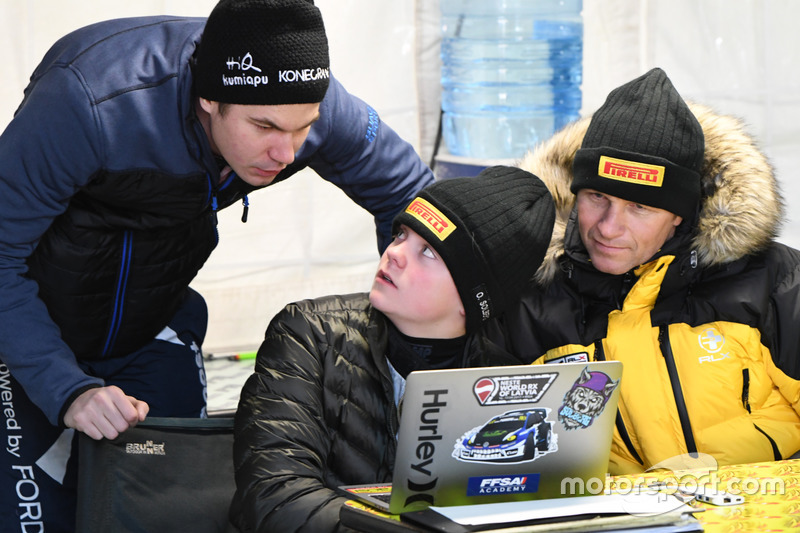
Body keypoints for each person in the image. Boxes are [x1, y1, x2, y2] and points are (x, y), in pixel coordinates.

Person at [0, 0, 434, 530]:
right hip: (29, 329)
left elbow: (420, 204)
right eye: (264, 127)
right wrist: (65, 386)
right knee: (36, 517)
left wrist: (417, 325)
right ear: (209, 96)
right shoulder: (90, 101)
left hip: (153, 322)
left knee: (179, 517)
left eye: (303, 129)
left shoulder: (302, 110)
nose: (285, 152)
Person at [487, 68, 800, 475]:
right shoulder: (530, 296)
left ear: (678, 216)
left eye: (640, 207)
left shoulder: (775, 281)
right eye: (597, 196)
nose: (607, 227)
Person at [228, 165, 556, 532]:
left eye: (428, 252)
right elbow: (275, 497)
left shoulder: (502, 381)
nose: (395, 253)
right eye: (401, 234)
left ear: (473, 299)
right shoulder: (310, 334)